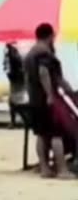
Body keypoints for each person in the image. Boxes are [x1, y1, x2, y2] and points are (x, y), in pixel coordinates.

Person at [23, 23, 71, 179]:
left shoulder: (30, 53)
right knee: (57, 133)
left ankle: (45, 168)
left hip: (34, 98)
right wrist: (50, 94)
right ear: (50, 36)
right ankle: (62, 170)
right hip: (46, 99)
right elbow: (44, 72)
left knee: (42, 134)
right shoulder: (44, 53)